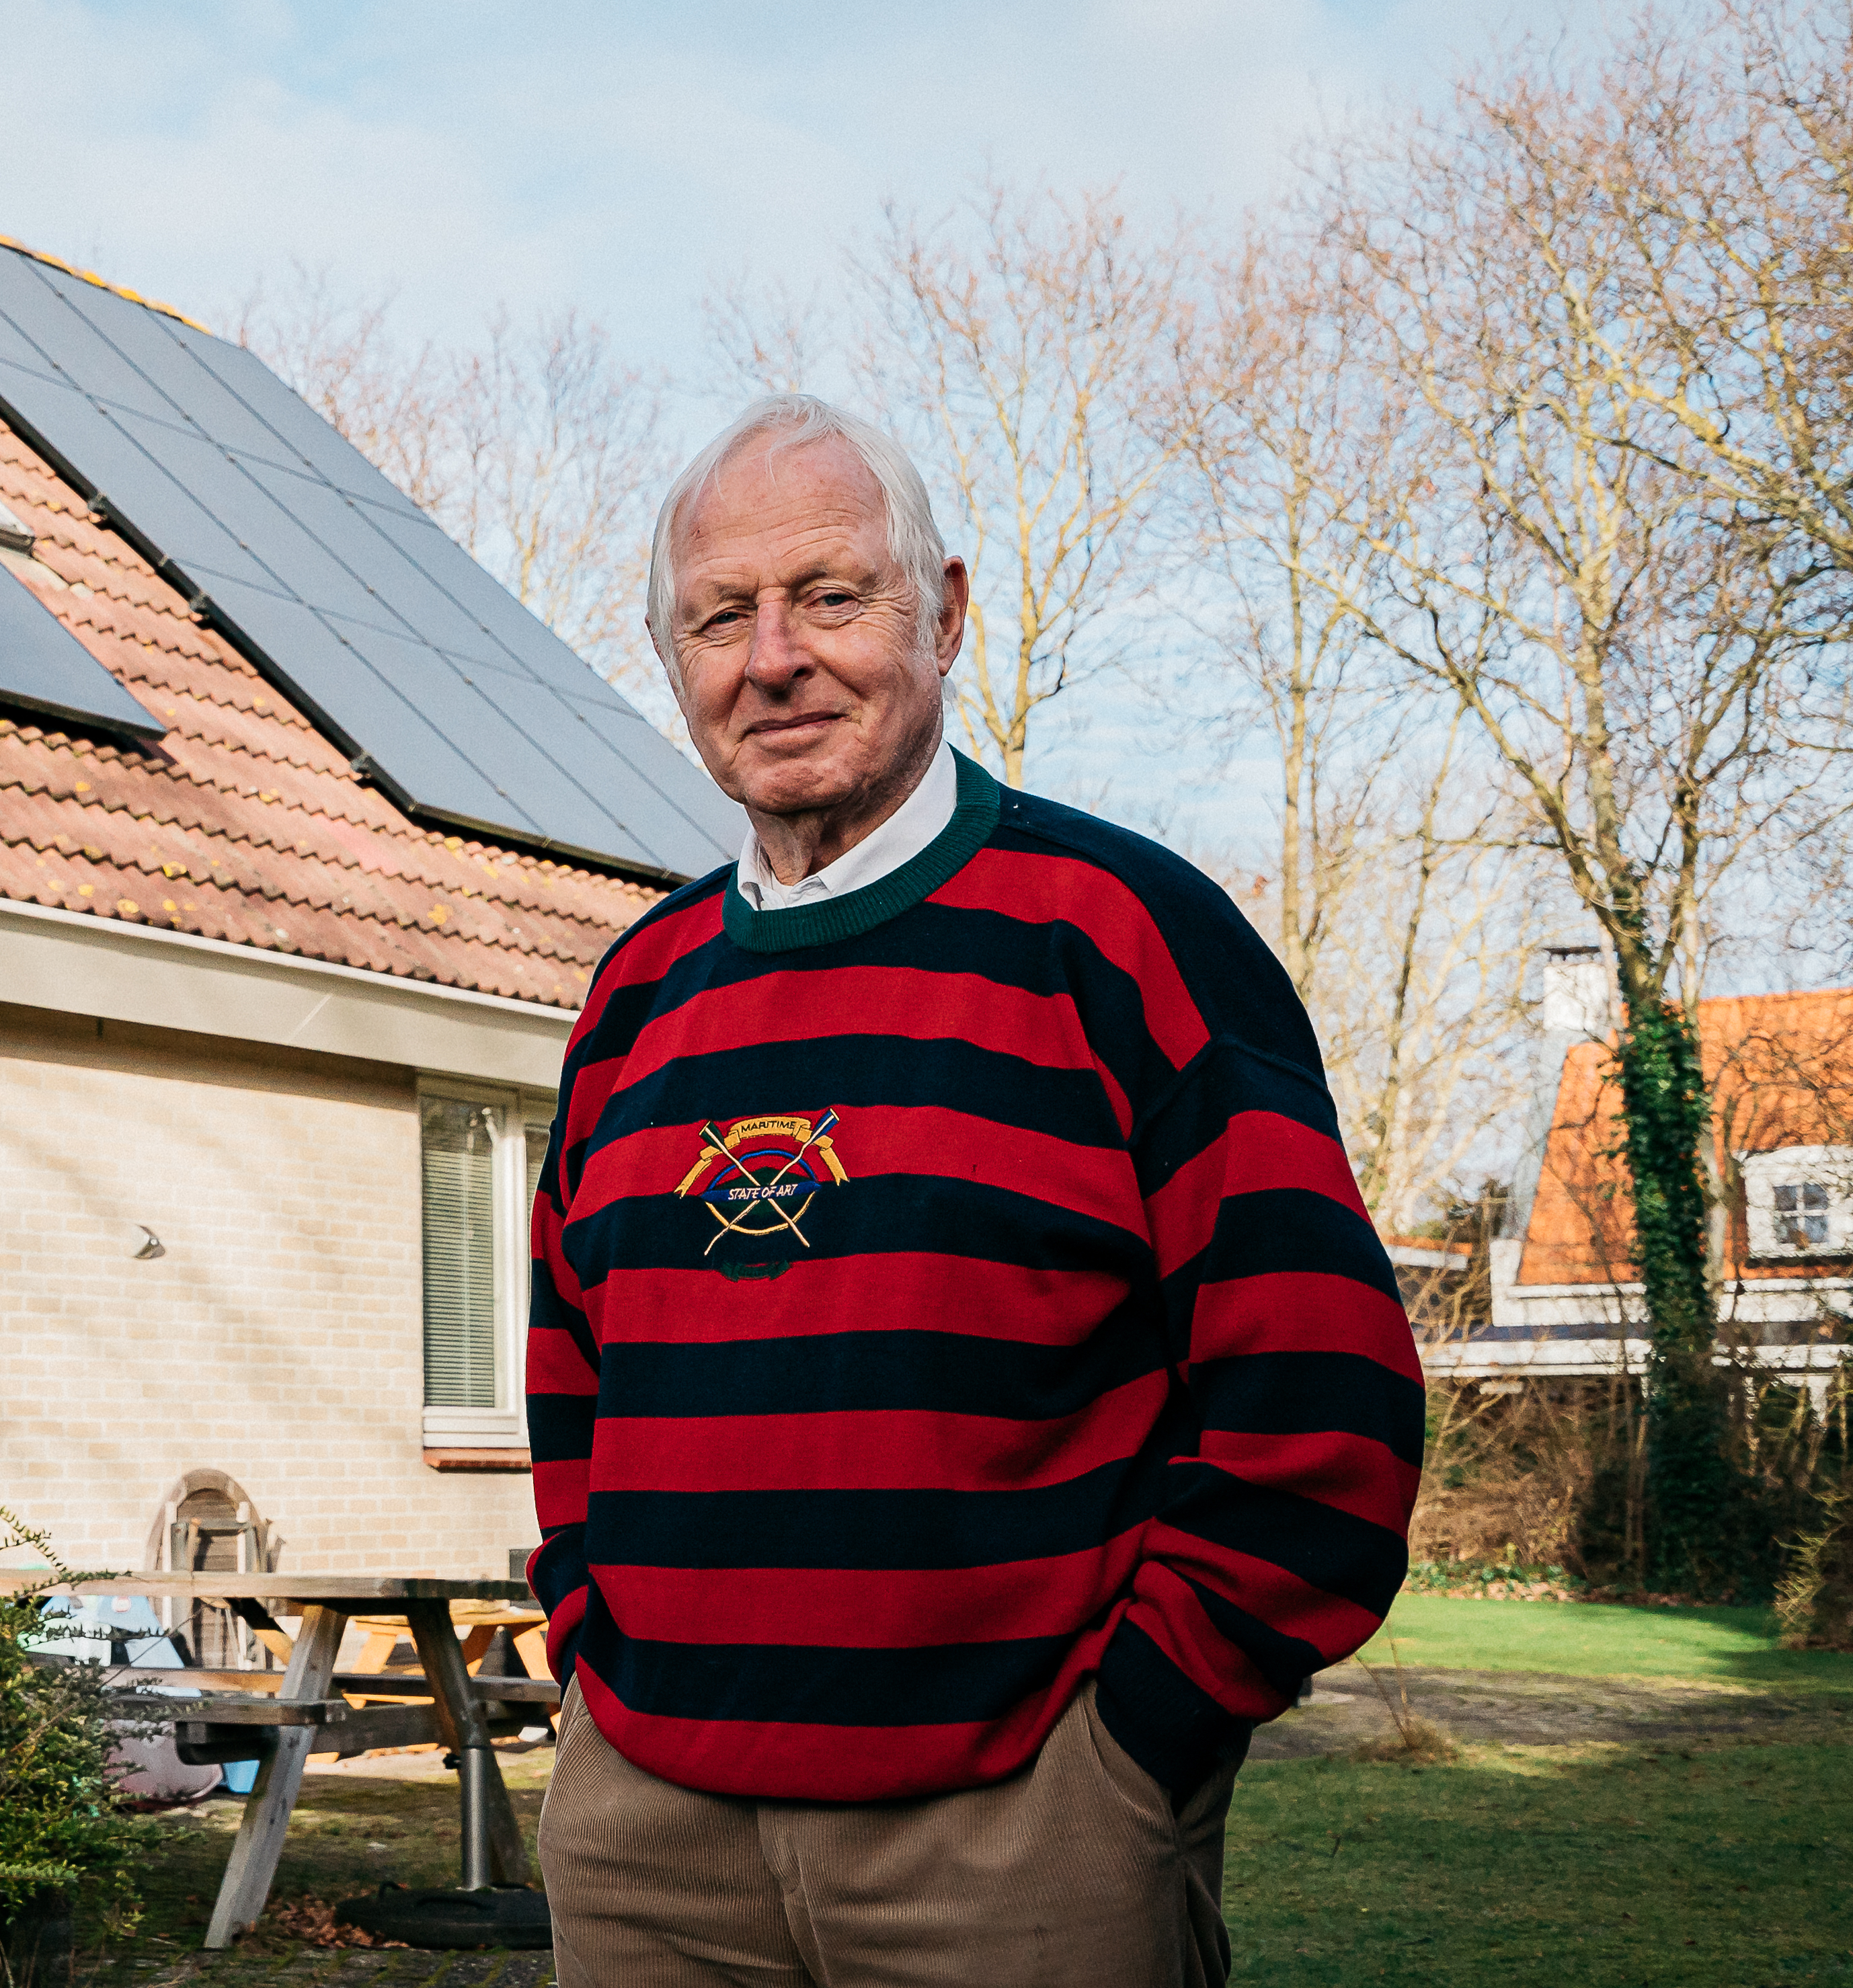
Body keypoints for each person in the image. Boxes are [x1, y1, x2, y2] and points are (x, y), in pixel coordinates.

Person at [526, 395, 1422, 1987]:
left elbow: (1320, 1399)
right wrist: (595, 1662)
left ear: (941, 613)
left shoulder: (1125, 937)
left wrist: (1134, 1743)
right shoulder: (633, 1001)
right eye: (717, 616)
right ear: (673, 662)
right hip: (647, 1843)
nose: (772, 655)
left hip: (1016, 1838)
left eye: (829, 595)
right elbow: (570, 1393)